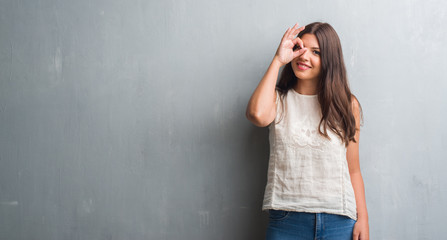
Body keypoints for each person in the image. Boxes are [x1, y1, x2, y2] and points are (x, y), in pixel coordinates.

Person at [245, 22, 369, 240]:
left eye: (316, 52)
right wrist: (278, 59)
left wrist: (363, 219)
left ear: (329, 59)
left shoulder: (347, 105)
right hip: (287, 220)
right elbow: (256, 114)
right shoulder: (277, 100)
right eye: (300, 48)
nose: (304, 57)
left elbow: (353, 170)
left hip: (339, 221)